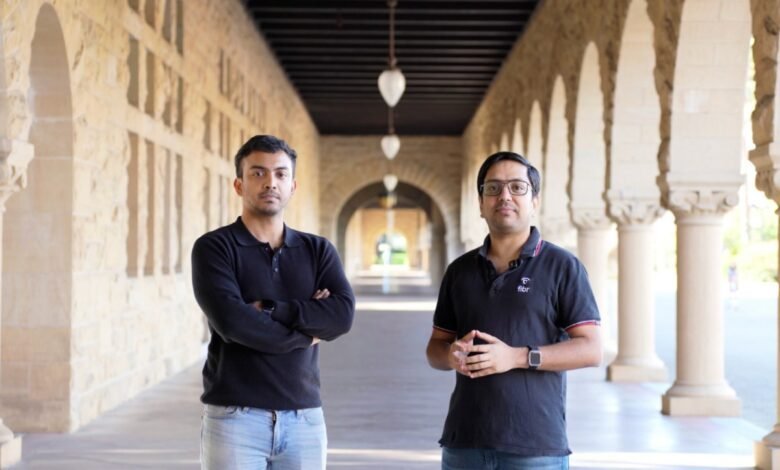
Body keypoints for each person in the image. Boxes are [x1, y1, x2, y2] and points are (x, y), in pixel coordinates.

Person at [426, 151, 602, 470]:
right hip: (464, 443)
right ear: (480, 203)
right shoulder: (459, 271)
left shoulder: (563, 267)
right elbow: (434, 349)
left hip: (535, 448)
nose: (504, 195)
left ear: (534, 200)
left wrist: (517, 357)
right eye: (493, 188)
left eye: (517, 187)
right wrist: (450, 354)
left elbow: (591, 349)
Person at [192, 134, 355, 469]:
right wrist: (308, 333)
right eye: (258, 173)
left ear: (292, 186)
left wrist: (270, 309)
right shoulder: (215, 248)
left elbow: (341, 317)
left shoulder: (318, 250)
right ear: (239, 185)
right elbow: (234, 324)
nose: (270, 182)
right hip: (235, 418)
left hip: (305, 419)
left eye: (280, 174)